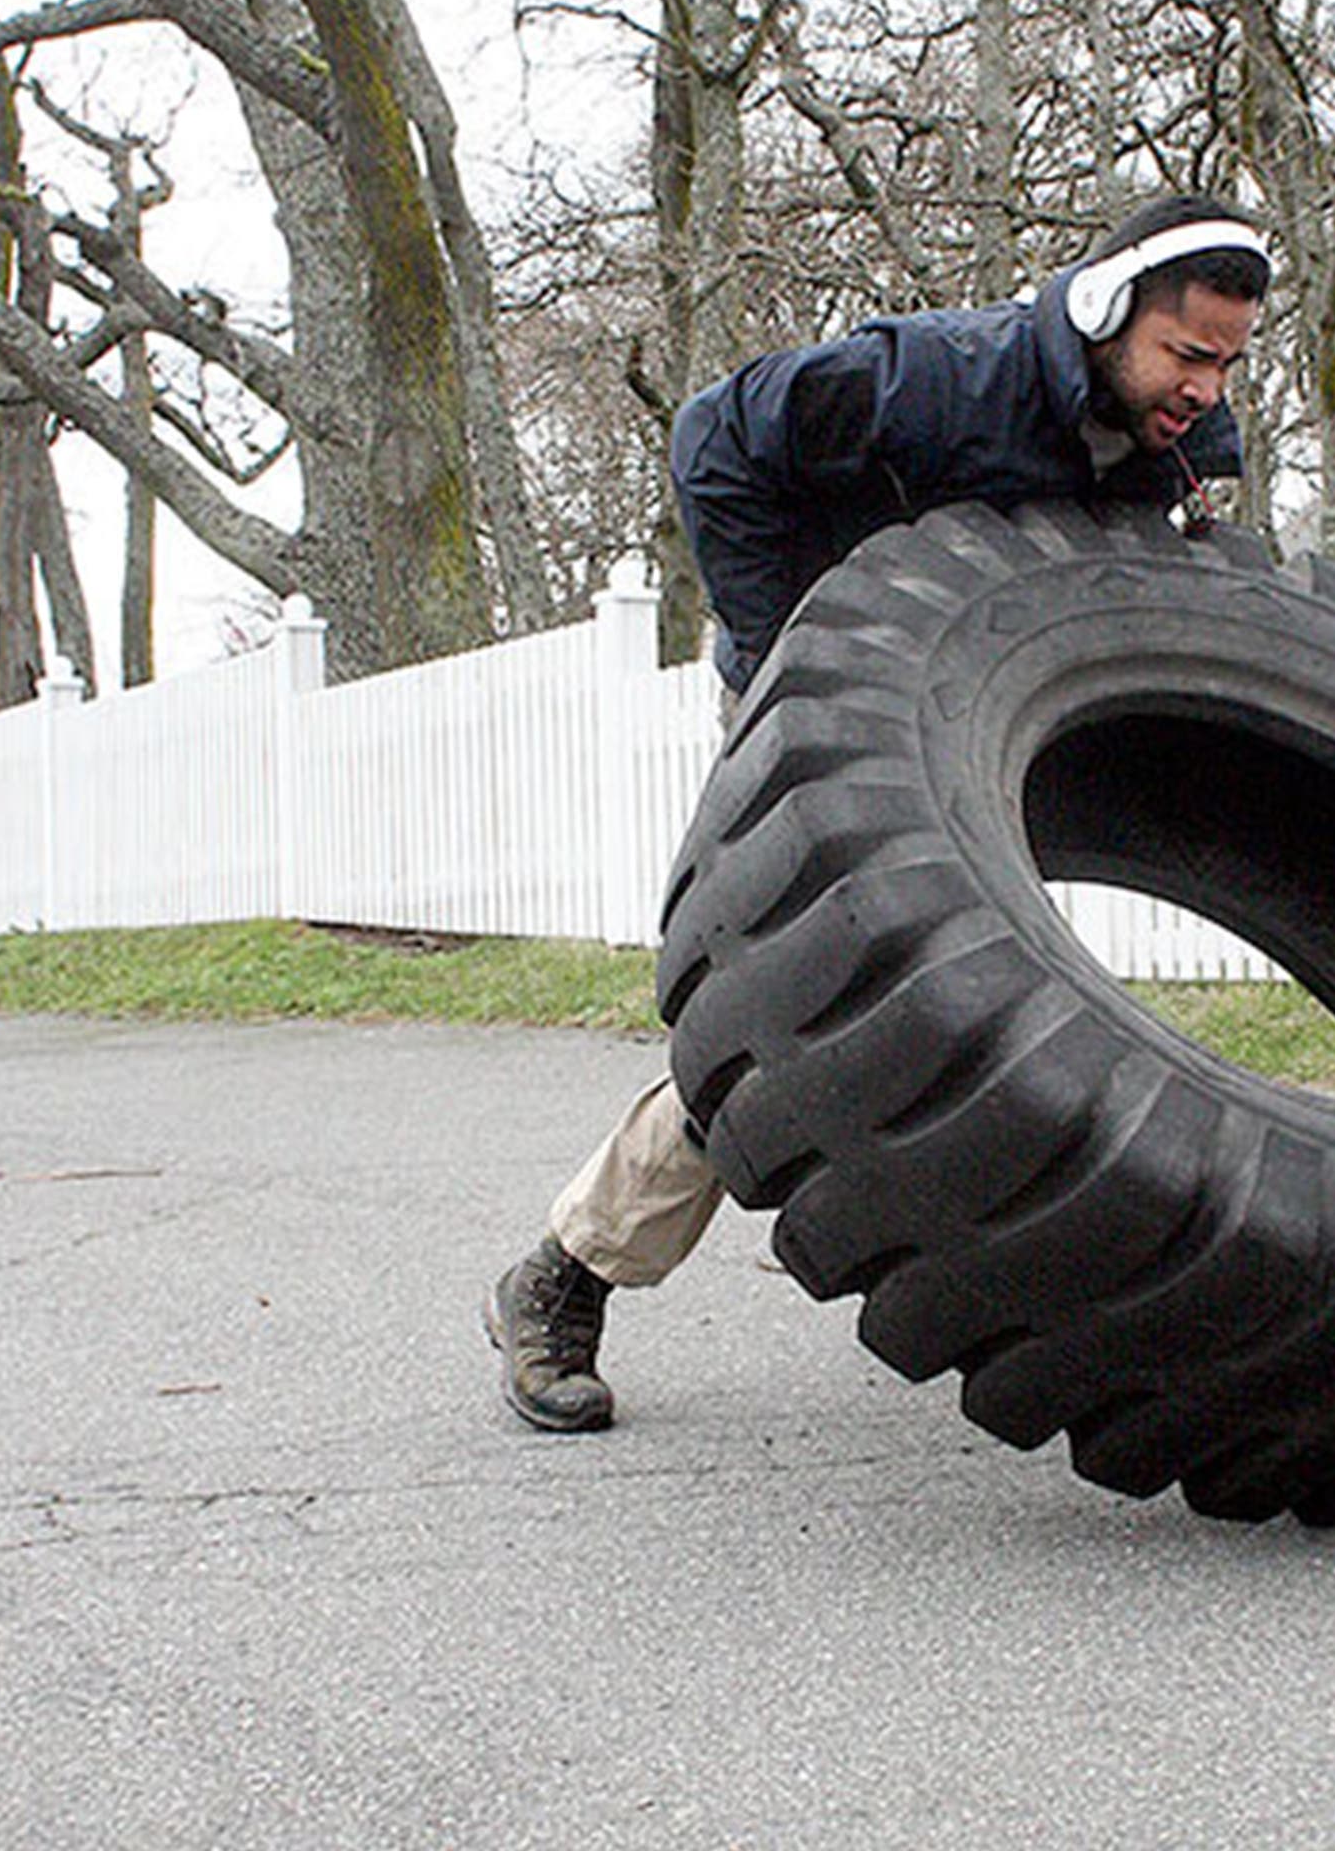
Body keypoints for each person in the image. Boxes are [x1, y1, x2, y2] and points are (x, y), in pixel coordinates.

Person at [485, 192, 1274, 1430]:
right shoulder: (941, 380)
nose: (1208, 389)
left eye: (1228, 362)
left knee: (1009, 1028)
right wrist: (787, 651)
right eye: (1188, 354)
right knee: (789, 1021)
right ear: (1111, 312)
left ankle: (1092, 1307)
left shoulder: (1168, 446)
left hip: (982, 741)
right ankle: (563, 1278)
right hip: (828, 723)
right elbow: (713, 440)